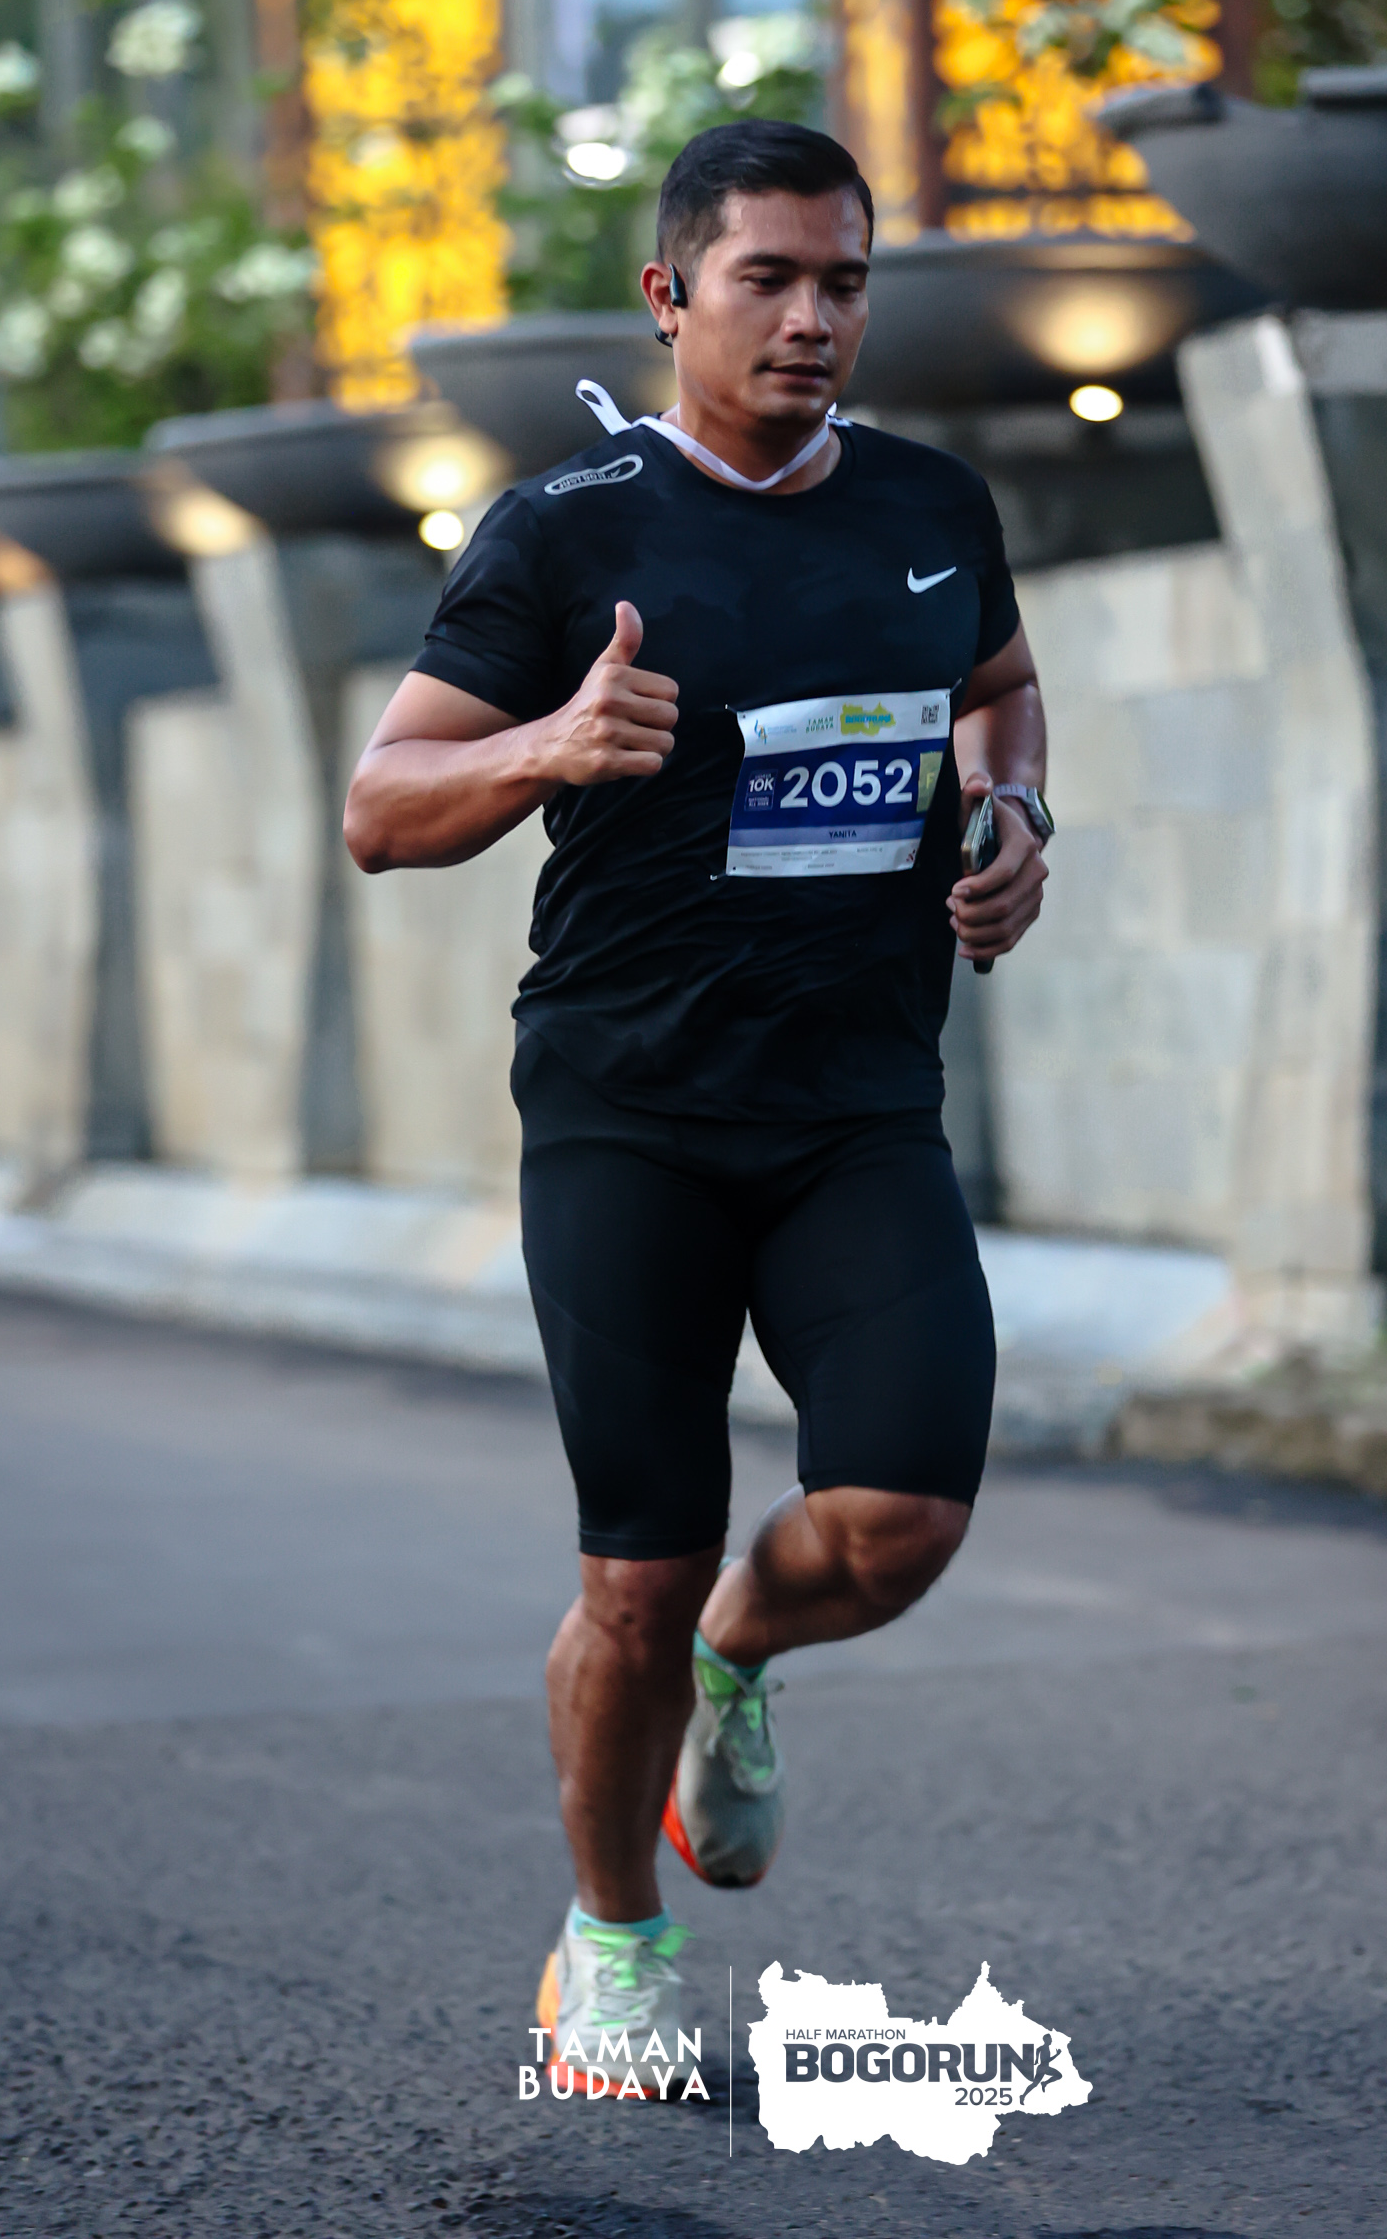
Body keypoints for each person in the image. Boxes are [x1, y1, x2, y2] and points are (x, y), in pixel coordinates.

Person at [344, 119, 1052, 2097]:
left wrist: (1015, 810)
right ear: (672, 296)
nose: (814, 318)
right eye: (771, 279)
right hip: (629, 1112)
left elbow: (998, 683)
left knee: (900, 1524)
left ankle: (745, 1654)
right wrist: (553, 744)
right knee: (631, 1576)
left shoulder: (929, 504)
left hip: (855, 1106)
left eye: (845, 282)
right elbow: (381, 808)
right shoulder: (567, 532)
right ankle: (612, 1940)